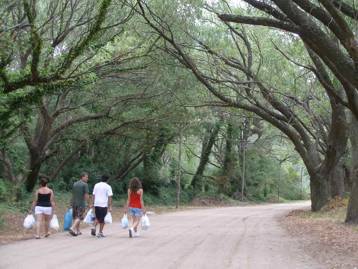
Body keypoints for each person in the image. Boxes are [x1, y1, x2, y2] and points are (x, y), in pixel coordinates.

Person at [69, 172, 90, 236]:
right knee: (79, 217)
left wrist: (71, 202)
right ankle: (72, 228)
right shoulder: (85, 184)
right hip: (81, 203)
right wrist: (88, 203)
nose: (87, 178)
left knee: (75, 217)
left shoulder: (75, 184)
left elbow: (73, 194)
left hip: (74, 203)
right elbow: (86, 195)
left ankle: (78, 231)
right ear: (82, 177)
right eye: (86, 177)